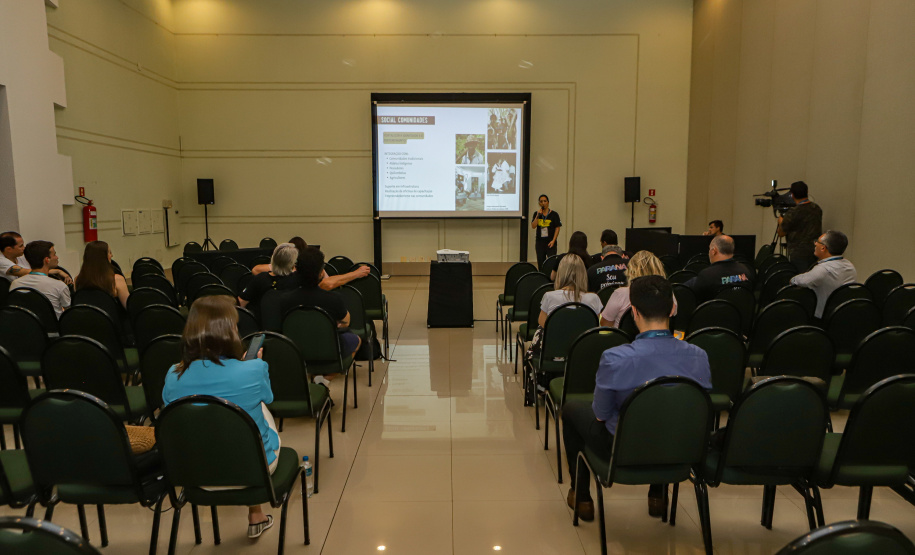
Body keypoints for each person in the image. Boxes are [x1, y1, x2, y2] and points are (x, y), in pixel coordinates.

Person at [562, 275, 712, 521]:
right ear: (672, 309)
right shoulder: (699, 356)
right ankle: (658, 496)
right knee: (668, 412)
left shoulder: (614, 357)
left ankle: (581, 496)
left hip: (623, 449)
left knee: (571, 409)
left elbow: (600, 415)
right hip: (679, 447)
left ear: (634, 312)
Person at [161, 295, 279, 539]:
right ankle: (255, 513)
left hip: (195, 473)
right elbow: (268, 398)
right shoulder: (253, 369)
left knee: (207, 417)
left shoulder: (173, 374)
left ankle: (255, 513)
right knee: (255, 411)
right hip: (254, 469)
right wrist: (254, 365)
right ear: (230, 330)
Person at [260, 247, 361, 387]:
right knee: (356, 340)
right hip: (329, 350)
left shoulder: (284, 300)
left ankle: (317, 379)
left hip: (295, 352)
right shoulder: (333, 298)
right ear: (321, 273)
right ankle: (324, 381)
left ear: (296, 270)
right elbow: (346, 322)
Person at [788, 230, 857, 319]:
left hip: (822, 319)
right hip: (843, 315)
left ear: (823, 248)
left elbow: (801, 281)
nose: (815, 244)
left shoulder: (822, 269)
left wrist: (792, 280)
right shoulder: (850, 266)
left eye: (817, 242)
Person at [600, 251, 677, 328]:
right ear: (659, 269)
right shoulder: (668, 294)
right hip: (657, 338)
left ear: (631, 271)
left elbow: (605, 324)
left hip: (623, 339)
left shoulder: (620, 294)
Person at [538, 255, 604, 328]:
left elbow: (542, 323)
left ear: (560, 273)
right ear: (583, 274)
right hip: (584, 339)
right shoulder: (594, 298)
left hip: (557, 338)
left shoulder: (549, 296)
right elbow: (596, 325)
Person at [683, 235, 754, 303]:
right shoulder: (745, 270)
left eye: (709, 249)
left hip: (713, 314)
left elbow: (685, 291)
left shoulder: (707, 275)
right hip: (740, 313)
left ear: (714, 251)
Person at [10, 240, 71, 317]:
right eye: (54, 254)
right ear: (47, 260)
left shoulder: (15, 284)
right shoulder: (59, 285)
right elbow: (68, 314)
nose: (57, 257)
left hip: (25, 326)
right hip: (53, 328)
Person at [238, 243, 298, 316]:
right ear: (293, 265)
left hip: (261, 325)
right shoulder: (298, 281)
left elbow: (241, 302)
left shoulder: (260, 278)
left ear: (272, 260)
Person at [778, 181, 822, 272]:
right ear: (807, 192)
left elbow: (781, 232)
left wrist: (781, 221)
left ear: (792, 195)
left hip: (798, 252)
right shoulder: (817, 209)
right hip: (815, 250)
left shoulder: (793, 212)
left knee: (800, 278)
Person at [0, 231, 72, 284]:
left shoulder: (20, 257)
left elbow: (37, 269)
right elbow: (27, 272)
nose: (24, 248)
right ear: (9, 249)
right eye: (20, 246)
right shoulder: (1, 261)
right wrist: (57, 271)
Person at [74, 240, 130, 308]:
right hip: (112, 317)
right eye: (109, 252)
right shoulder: (116, 280)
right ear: (103, 257)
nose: (112, 255)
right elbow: (129, 307)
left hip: (86, 317)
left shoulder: (78, 279)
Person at [531, 194, 561, 269]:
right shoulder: (536, 214)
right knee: (541, 262)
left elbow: (557, 228)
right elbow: (533, 226)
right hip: (540, 242)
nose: (543, 203)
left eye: (545, 201)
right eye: (541, 201)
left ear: (548, 202)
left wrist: (553, 241)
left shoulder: (554, 214)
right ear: (539, 203)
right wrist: (537, 216)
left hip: (550, 242)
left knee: (551, 261)